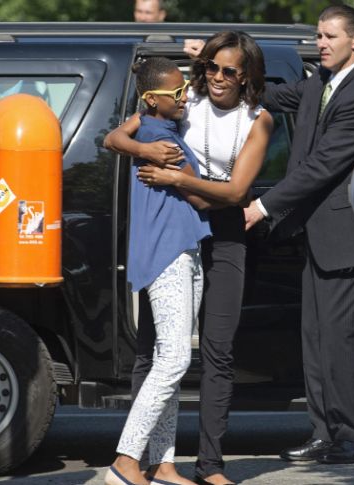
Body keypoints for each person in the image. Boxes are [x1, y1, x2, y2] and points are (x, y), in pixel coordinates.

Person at [105, 31, 272, 485]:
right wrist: (144, 154)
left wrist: (176, 178)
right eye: (212, 67)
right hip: (177, 230)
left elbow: (237, 193)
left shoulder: (258, 119)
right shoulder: (183, 100)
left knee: (216, 351)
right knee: (157, 353)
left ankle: (210, 466)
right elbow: (119, 135)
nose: (217, 77)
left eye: (229, 70)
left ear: (247, 76)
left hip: (221, 227)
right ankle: (146, 462)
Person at [238, 5, 354, 464]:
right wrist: (232, 75)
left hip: (347, 237)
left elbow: (324, 167)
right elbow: (284, 98)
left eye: (330, 36)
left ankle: (352, 439)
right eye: (319, 36)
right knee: (316, 341)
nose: (321, 43)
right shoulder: (323, 81)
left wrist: (263, 205)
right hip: (318, 236)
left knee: (341, 341)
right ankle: (324, 434)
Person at [105, 57, 211, 485]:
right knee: (173, 360)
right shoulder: (158, 139)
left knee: (172, 362)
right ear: (152, 100)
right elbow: (204, 200)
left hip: (187, 251)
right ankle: (126, 461)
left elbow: (118, 135)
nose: (184, 97)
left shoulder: (154, 130)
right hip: (169, 255)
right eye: (176, 93)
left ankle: (163, 464)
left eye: (185, 89)